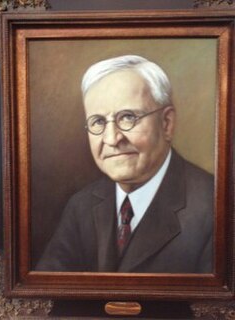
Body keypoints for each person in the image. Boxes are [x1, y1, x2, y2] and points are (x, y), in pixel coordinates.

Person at [36, 55, 213, 273]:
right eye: (98, 122)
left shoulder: (216, 207)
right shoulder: (81, 206)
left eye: (128, 117)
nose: (112, 138)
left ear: (166, 124)